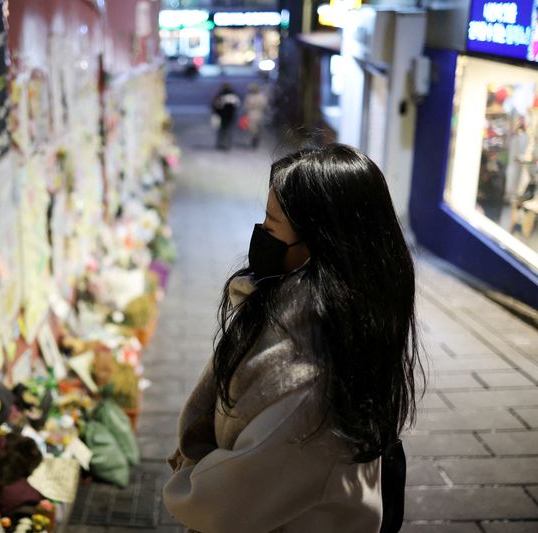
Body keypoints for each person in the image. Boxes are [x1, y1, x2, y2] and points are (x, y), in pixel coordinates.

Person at [163, 144, 421, 533]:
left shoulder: (306, 389)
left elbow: (219, 505)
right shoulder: (346, 323)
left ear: (321, 246)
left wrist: (189, 474)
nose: (261, 236)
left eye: (270, 226)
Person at [211, 83, 240, 150]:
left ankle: (220, 144)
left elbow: (215, 105)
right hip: (230, 116)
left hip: (222, 116)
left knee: (221, 130)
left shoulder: (220, 95)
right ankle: (228, 144)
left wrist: (216, 113)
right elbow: (237, 105)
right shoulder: (233, 95)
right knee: (228, 130)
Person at [244, 83, 268, 149]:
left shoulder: (260, 96)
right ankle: (254, 141)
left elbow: (264, 105)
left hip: (258, 114)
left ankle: (255, 141)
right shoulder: (250, 96)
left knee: (257, 129)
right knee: (252, 129)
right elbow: (246, 106)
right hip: (252, 114)